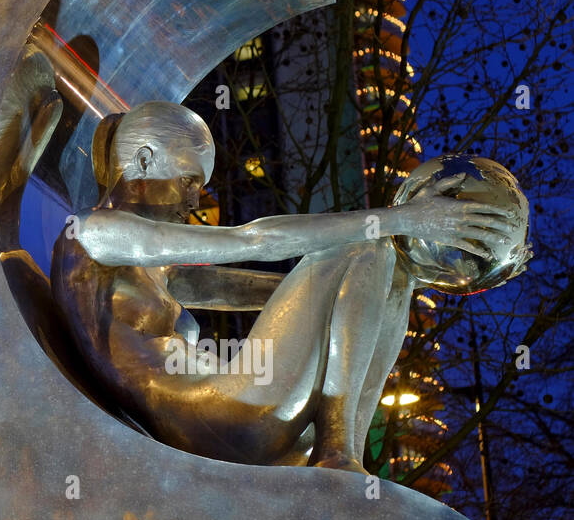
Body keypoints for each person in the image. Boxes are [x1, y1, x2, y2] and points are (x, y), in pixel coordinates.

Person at [50, 101, 513, 472]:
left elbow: (287, 291)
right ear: (144, 159)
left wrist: (442, 271)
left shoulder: (156, 271)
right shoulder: (91, 233)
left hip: (244, 422)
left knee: (382, 258)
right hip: (209, 419)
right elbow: (252, 239)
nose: (195, 199)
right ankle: (337, 455)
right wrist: (402, 219)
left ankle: (344, 451)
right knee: (368, 244)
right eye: (189, 179)